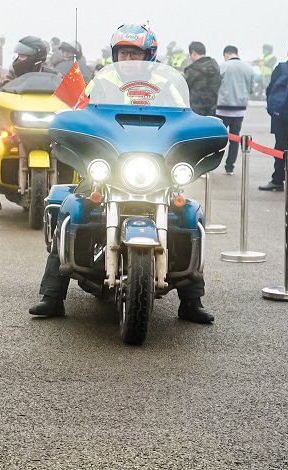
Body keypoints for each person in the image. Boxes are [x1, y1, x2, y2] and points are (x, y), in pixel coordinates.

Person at [29, 23, 214, 324]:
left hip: (155, 167)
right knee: (71, 208)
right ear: (115, 54)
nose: (128, 59)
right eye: (123, 53)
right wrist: (67, 122)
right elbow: (80, 111)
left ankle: (192, 301)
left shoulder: (166, 84)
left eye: (135, 53)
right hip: (107, 164)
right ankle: (52, 296)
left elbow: (185, 118)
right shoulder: (102, 81)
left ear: (149, 55)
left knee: (189, 216)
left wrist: (199, 131)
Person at [0, 36, 59, 215]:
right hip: (19, 123)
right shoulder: (14, 72)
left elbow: (65, 91)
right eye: (18, 55)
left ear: (35, 56)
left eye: (22, 56)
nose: (18, 59)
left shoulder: (52, 75)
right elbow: (5, 87)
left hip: (47, 124)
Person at [259, 39, 288, 191]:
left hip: (282, 116)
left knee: (280, 148)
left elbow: (270, 90)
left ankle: (278, 180)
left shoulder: (282, 68)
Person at [216, 45, 254, 175]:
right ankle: (229, 167)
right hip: (239, 110)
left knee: (217, 138)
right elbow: (251, 90)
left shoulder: (222, 66)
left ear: (226, 54)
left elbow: (216, 85)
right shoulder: (248, 68)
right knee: (235, 138)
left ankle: (211, 165)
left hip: (222, 109)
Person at [184, 41, 220, 116]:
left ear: (193, 53)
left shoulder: (192, 70)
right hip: (211, 110)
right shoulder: (215, 67)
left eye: (190, 55)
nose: (190, 57)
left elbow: (184, 86)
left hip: (195, 111)